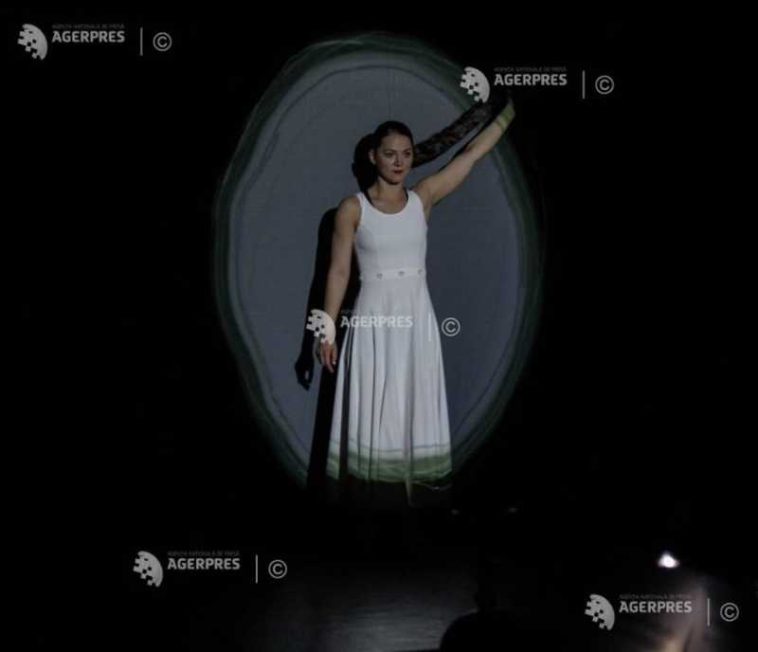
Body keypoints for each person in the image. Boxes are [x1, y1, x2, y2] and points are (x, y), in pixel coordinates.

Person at [318, 100, 516, 511]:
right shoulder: (352, 209)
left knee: (412, 407)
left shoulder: (422, 198)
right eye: (390, 154)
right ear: (373, 156)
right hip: (374, 320)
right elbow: (338, 272)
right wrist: (327, 331)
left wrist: (509, 112)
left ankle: (412, 512)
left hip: (416, 320)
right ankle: (372, 510)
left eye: (406, 154)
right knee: (377, 411)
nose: (399, 162)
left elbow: (470, 155)